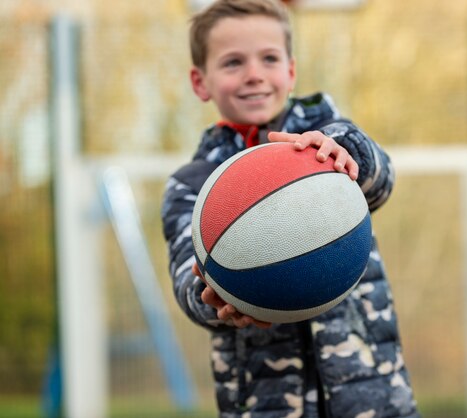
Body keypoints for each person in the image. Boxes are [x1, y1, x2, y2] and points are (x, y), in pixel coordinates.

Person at [161, 0, 421, 416]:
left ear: (291, 70)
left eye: (269, 58)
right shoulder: (193, 183)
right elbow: (186, 278)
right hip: (267, 403)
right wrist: (213, 300)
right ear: (200, 81)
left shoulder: (325, 141)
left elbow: (380, 181)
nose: (254, 75)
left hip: (370, 392)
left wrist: (348, 152)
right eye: (232, 63)